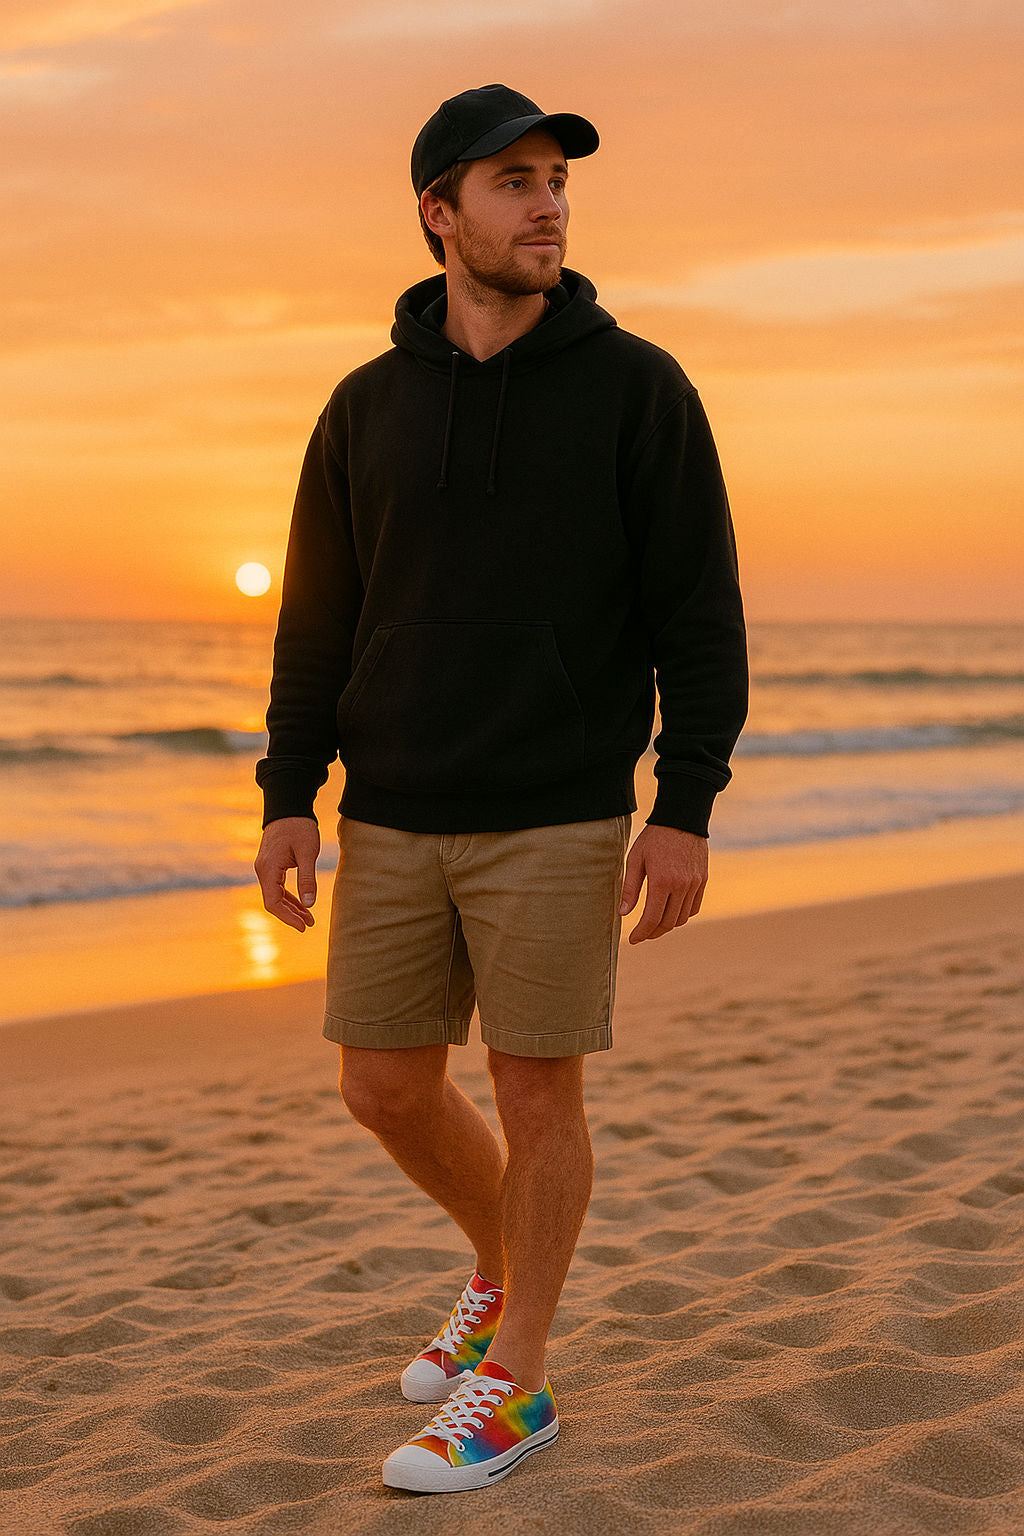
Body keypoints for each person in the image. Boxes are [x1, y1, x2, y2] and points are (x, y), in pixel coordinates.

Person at [254, 82, 748, 1495]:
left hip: (558, 802)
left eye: (555, 181)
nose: (546, 205)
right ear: (439, 215)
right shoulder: (365, 408)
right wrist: (292, 792)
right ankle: (492, 1266)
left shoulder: (635, 387)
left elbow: (696, 614)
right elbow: (317, 621)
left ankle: (518, 1381)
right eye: (513, 181)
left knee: (538, 1093)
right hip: (392, 806)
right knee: (386, 1088)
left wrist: (686, 804)